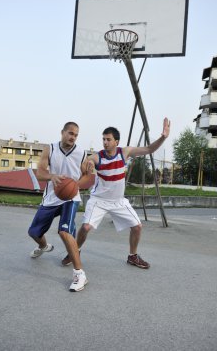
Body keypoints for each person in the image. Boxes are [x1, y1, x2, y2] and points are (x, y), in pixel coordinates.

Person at [62, 117, 170, 269]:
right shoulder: (98, 156)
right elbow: (90, 161)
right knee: (86, 227)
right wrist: (89, 164)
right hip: (99, 200)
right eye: (103, 139)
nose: (105, 142)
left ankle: (133, 256)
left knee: (137, 227)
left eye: (108, 139)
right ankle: (75, 251)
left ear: (116, 142)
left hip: (118, 201)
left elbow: (149, 149)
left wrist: (163, 137)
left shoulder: (124, 152)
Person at [28, 121, 90, 292]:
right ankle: (43, 246)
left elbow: (87, 177)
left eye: (76, 135)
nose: (73, 137)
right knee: (33, 232)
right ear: (62, 132)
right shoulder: (50, 148)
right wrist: (52, 176)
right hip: (51, 198)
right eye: (70, 133)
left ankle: (79, 274)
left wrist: (75, 185)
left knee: (64, 231)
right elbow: (40, 173)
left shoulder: (81, 153)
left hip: (70, 197)